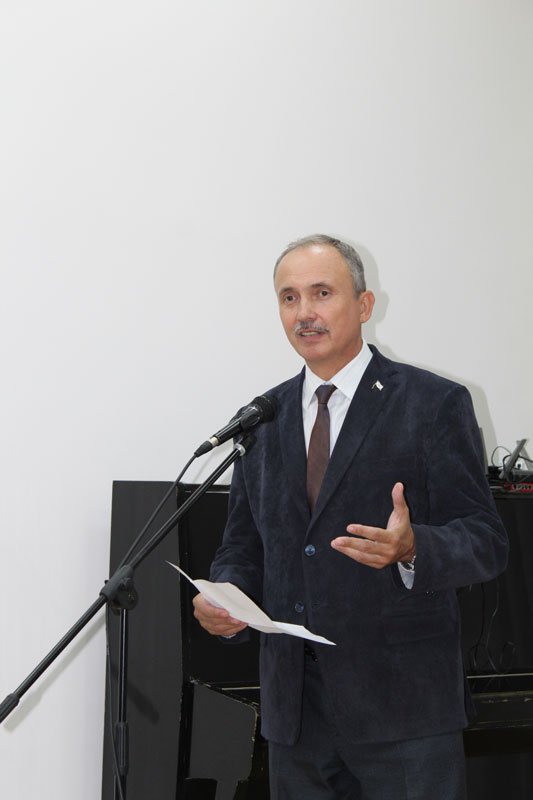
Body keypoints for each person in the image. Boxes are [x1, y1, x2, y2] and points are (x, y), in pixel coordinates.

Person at [193, 234, 508, 799]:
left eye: (322, 293)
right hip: (296, 714)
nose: (304, 313)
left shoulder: (433, 403)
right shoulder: (262, 418)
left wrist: (413, 548)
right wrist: (227, 599)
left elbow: (485, 539)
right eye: (289, 297)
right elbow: (243, 546)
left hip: (403, 710)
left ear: (363, 305)